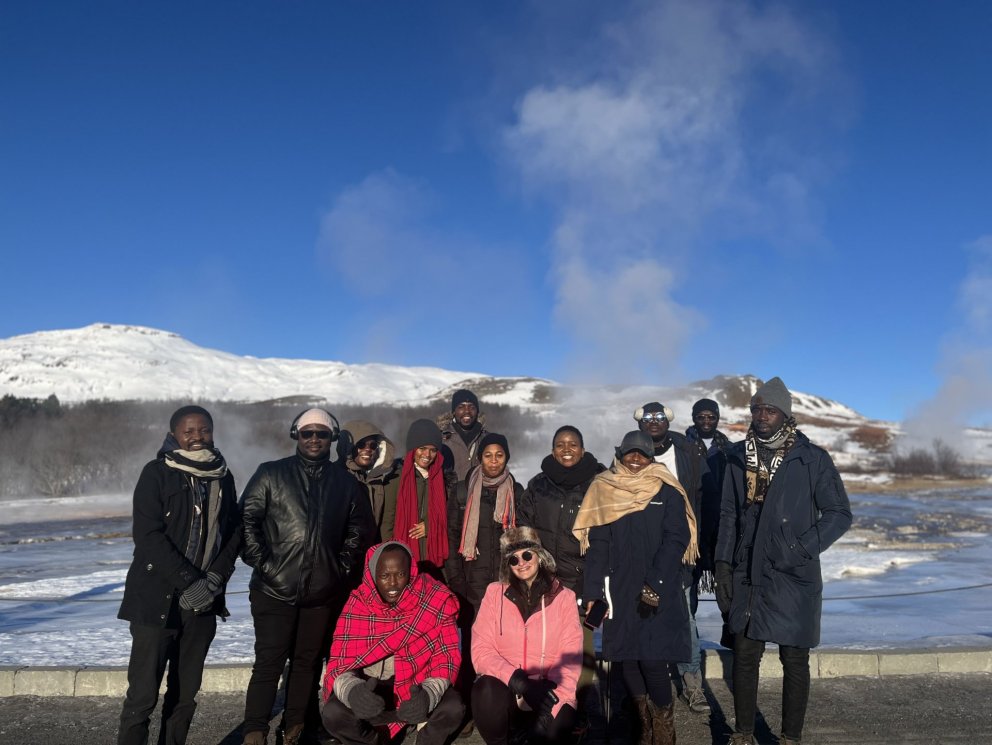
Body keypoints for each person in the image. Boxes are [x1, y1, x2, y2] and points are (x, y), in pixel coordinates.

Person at [715, 378, 852, 745]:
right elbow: (729, 514)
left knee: (794, 658)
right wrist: (723, 565)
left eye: (769, 409)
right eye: (756, 409)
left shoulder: (811, 458)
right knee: (744, 654)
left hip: (792, 572)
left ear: (785, 415)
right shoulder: (737, 456)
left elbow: (839, 513)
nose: (761, 416)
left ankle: (790, 738)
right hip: (748, 571)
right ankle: (743, 733)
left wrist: (799, 549)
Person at [239, 408, 376, 745]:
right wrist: (268, 566)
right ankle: (254, 731)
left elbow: (360, 532)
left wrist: (338, 571)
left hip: (322, 593)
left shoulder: (345, 483)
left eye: (322, 433)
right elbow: (245, 522)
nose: (314, 439)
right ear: (296, 435)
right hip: (273, 591)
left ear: (332, 438)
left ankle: (294, 728)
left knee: (307, 663)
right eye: (307, 433)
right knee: (269, 663)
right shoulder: (271, 474)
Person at [117, 405, 241, 745]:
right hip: (155, 599)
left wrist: (214, 580)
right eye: (189, 431)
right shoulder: (156, 473)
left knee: (185, 696)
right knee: (142, 696)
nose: (196, 437)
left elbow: (232, 533)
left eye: (203, 430)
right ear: (174, 435)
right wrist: (191, 581)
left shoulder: (223, 475)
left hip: (202, 604)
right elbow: (148, 536)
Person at [575, 430, 698, 745]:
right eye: (629, 452)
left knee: (654, 660)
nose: (635, 459)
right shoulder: (604, 487)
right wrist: (592, 593)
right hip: (619, 589)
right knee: (627, 659)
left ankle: (665, 733)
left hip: (659, 587)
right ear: (620, 453)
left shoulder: (666, 488)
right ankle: (644, 730)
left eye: (641, 454)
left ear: (650, 457)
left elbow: (676, 538)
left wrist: (654, 583)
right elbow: (598, 545)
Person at [321, 542, 465, 745]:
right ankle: (372, 741)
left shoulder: (434, 599)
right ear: (372, 576)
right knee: (333, 713)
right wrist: (353, 692)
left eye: (400, 574)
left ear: (411, 573)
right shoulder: (358, 605)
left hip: (415, 693)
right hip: (372, 694)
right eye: (384, 576)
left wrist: (428, 695)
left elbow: (446, 657)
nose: (393, 584)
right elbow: (340, 662)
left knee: (453, 707)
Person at [471, 527, 583, 745]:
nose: (521, 562)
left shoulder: (564, 598)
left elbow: (571, 658)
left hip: (547, 691)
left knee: (554, 729)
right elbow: (481, 650)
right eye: (513, 559)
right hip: (508, 688)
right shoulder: (494, 594)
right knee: (484, 690)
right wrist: (517, 680)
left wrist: (551, 704)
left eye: (527, 554)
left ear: (539, 556)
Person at [635, 401, 710, 713]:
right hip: (642, 549)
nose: (654, 421)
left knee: (685, 618)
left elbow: (704, 498)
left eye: (660, 416)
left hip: (682, 547)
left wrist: (703, 546)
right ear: (640, 422)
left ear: (668, 420)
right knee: (642, 613)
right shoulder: (631, 451)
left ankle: (692, 684)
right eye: (648, 417)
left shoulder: (688, 452)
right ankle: (647, 685)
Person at [516, 425, 606, 596]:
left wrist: (591, 582)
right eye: (560, 445)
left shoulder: (600, 484)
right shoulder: (538, 485)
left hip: (584, 583)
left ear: (583, 450)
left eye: (573, 444)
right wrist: (536, 568)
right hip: (543, 580)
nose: (566, 449)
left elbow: (608, 537)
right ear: (552, 451)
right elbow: (523, 525)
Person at [445, 432, 523, 613]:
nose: (494, 460)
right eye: (488, 455)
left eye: (499, 455)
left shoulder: (516, 492)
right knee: (474, 638)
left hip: (508, 582)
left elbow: (524, 541)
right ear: (480, 458)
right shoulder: (462, 491)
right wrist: (457, 582)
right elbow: (451, 537)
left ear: (507, 458)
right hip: (471, 585)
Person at [685, 398, 736, 650]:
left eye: (711, 416)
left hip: (720, 524)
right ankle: (688, 639)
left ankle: (732, 634)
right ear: (694, 418)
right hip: (692, 523)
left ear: (717, 418)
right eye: (701, 416)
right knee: (689, 583)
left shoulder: (729, 449)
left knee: (725, 580)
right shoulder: (682, 446)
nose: (706, 421)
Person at [392, 418, 457, 581]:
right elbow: (388, 519)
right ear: (412, 448)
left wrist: (430, 525)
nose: (427, 455)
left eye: (433, 450)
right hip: (404, 557)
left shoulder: (444, 481)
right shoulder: (396, 478)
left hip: (434, 559)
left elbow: (451, 515)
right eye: (422, 448)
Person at [337, 420, 402, 542]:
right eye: (361, 444)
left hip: (370, 553)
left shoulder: (379, 479)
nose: (367, 449)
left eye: (372, 446)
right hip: (342, 554)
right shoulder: (336, 476)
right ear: (349, 446)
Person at [438, 388, 488, 482]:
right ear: (453, 412)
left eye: (472, 407)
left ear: (477, 412)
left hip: (479, 495)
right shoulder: (440, 439)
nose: (467, 411)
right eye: (461, 407)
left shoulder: (487, 439)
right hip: (449, 495)